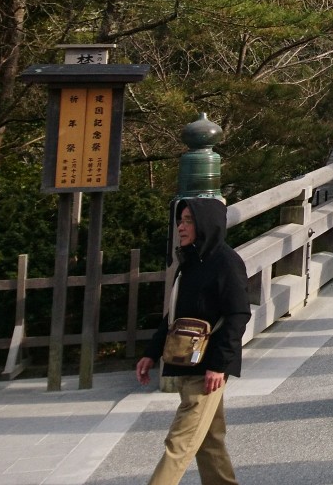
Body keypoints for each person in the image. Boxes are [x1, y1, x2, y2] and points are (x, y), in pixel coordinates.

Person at [136, 198, 249, 485]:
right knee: (210, 442)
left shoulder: (226, 262)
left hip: (208, 368)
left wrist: (219, 365)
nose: (181, 227)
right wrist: (151, 352)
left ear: (204, 224)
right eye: (180, 220)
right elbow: (175, 314)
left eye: (188, 221)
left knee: (179, 443)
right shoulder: (189, 262)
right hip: (187, 360)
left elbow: (238, 315)